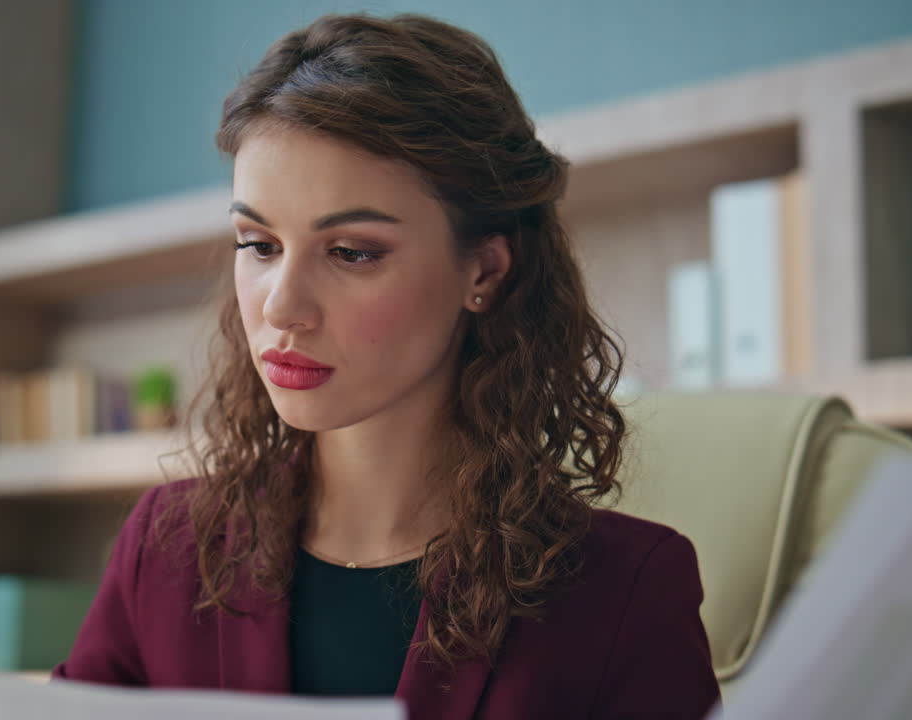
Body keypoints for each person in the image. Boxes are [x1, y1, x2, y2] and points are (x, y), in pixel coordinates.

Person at [53, 12, 720, 719]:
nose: (283, 307)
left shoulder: (625, 591)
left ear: (485, 271)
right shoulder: (165, 550)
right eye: (259, 244)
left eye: (352, 253)